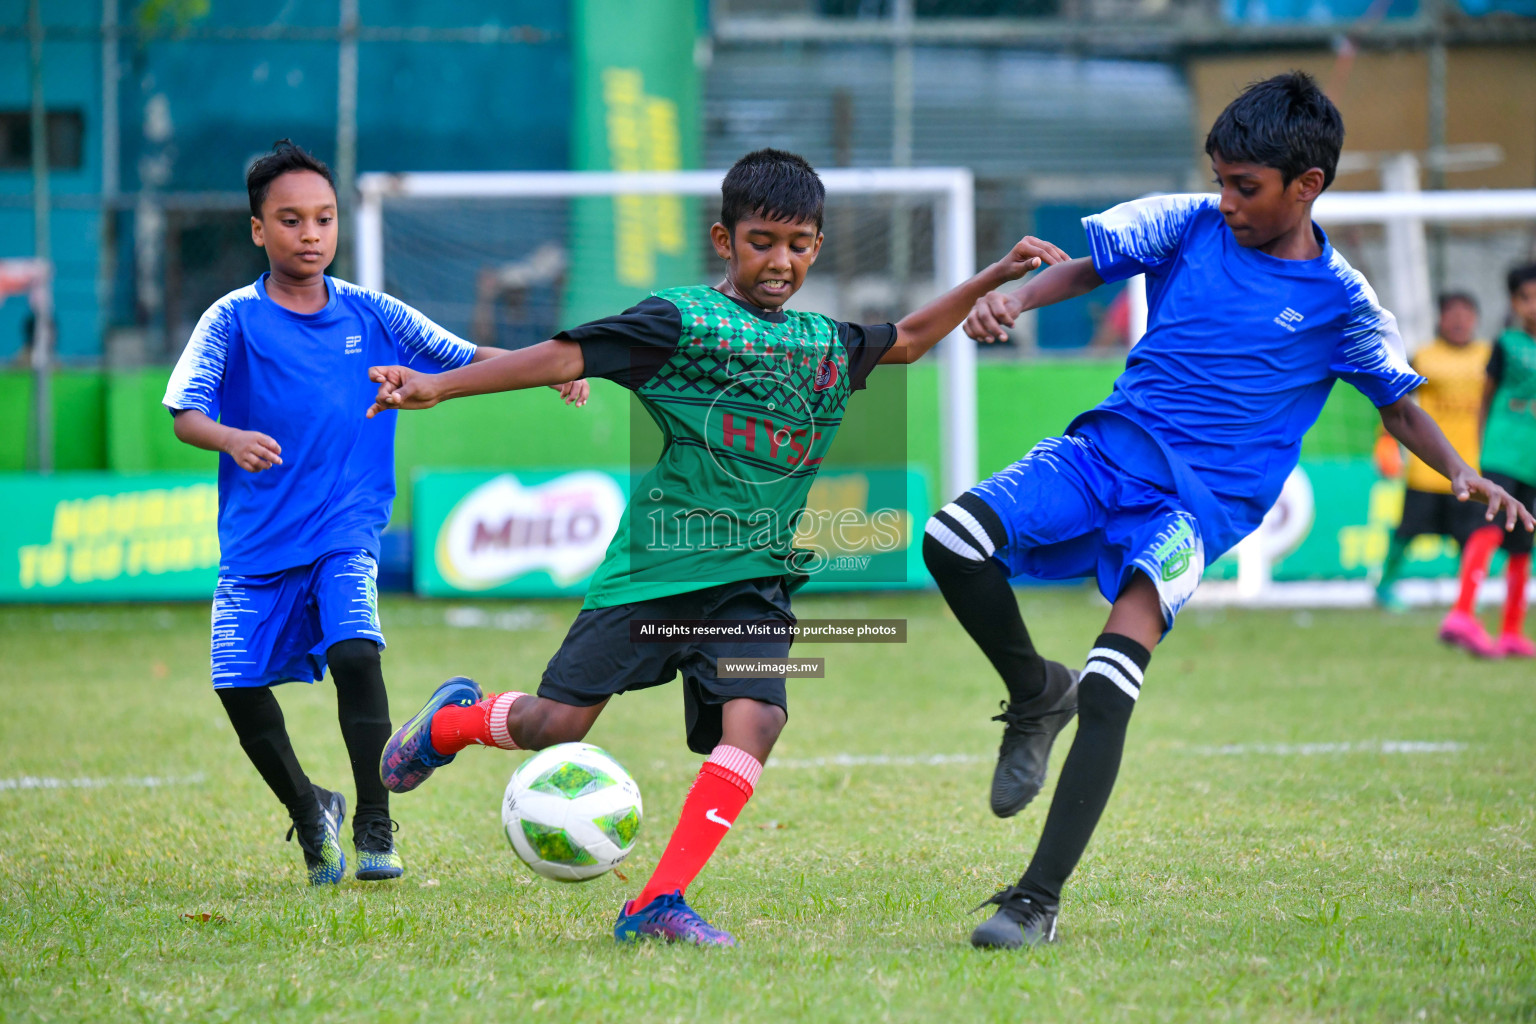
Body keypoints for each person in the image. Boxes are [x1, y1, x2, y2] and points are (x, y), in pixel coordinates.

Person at [366, 148, 1067, 945]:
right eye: (764, 240)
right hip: (658, 568)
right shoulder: (680, 322)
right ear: (724, 240)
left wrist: (989, 278)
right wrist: (436, 384)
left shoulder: (821, 341)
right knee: (554, 725)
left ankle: (657, 903)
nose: (782, 260)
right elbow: (567, 355)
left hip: (754, 580)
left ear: (818, 246)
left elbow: (904, 339)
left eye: (800, 243)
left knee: (758, 721)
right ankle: (452, 722)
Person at [925, 72, 1533, 950]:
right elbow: (1092, 266)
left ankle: (1034, 901)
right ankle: (1031, 693)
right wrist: (1013, 297)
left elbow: (1398, 404)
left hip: (1195, 513)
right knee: (952, 539)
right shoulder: (1188, 222)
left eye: (1245, 187)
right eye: (1221, 180)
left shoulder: (1347, 303)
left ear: (1307, 186)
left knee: (1111, 684)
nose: (1227, 200)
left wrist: (1463, 472)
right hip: (1105, 452)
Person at [163, 140, 586, 886]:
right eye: (290, 220)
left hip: (345, 528)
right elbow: (184, 415)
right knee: (235, 684)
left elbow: (460, 353)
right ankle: (309, 809)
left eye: (323, 218)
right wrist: (230, 437)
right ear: (258, 229)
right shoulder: (231, 319)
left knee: (356, 650)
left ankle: (374, 821)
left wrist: (555, 369)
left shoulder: (373, 311)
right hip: (258, 542)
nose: (311, 234)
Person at [1440, 262, 1536, 658]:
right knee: (1491, 527)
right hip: (1501, 452)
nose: (1534, 306)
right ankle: (1462, 613)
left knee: (1522, 542)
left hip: (1531, 458)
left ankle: (1511, 630)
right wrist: (1482, 447)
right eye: (1526, 298)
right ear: (1514, 303)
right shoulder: (1507, 344)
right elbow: (1487, 397)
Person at [1372, 292, 1491, 614]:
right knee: (1407, 531)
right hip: (1428, 467)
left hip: (1472, 466)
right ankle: (1384, 587)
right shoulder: (1424, 357)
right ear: (1440, 319)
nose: (1459, 320)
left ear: (1476, 320)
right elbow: (1395, 403)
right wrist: (1385, 443)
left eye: (1466, 313)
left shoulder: (1488, 357)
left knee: (1471, 538)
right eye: (1452, 313)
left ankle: (1467, 599)